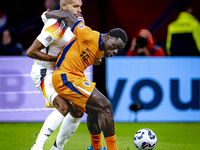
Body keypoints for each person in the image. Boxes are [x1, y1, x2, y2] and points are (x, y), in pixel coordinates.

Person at [45, 9, 127, 150]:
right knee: (105, 105)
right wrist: (46, 15)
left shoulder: (101, 49)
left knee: (95, 111)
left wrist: (98, 56)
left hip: (75, 77)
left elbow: (91, 51)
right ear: (107, 37)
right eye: (115, 46)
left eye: (118, 50)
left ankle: (95, 147)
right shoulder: (88, 35)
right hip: (65, 77)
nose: (115, 52)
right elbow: (66, 15)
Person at [27, 0, 104, 150]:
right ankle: (37, 147)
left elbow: (84, 40)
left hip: (63, 72)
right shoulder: (54, 27)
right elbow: (31, 52)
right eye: (75, 6)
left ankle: (57, 148)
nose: (79, 10)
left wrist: (94, 54)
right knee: (63, 106)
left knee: (77, 109)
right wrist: (59, 59)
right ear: (64, 7)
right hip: (45, 71)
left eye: (80, 7)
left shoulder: (78, 21)